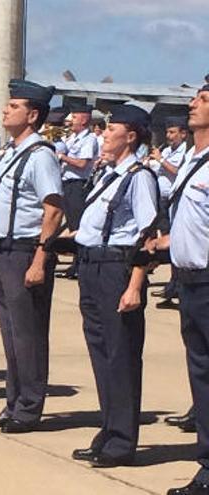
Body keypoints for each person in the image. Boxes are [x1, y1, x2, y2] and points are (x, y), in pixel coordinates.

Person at [70, 104, 158, 468]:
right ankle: (108, 429)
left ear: (131, 135)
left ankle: (122, 441)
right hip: (92, 265)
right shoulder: (108, 174)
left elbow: (147, 236)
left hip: (116, 269)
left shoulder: (139, 176)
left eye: (111, 129)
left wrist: (135, 285)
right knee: (101, 354)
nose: (104, 134)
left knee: (120, 356)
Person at [0, 80, 63, 433]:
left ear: (32, 115)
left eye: (13, 106)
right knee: (11, 335)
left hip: (27, 251)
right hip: (4, 251)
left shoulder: (40, 155)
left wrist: (40, 259)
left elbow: (54, 209)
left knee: (28, 336)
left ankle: (28, 408)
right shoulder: (13, 151)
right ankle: (13, 402)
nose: (5, 110)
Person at [155, 83, 209, 495]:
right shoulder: (194, 159)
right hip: (191, 282)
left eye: (205, 99)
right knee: (202, 377)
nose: (193, 103)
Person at [150, 116, 190, 309]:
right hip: (162, 200)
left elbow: (177, 171)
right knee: (166, 240)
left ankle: (176, 286)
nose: (169, 136)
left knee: (174, 243)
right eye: (167, 132)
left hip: (175, 201)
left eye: (173, 132)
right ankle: (172, 286)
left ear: (183, 133)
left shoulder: (186, 152)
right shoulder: (167, 149)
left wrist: (160, 160)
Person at [57, 104, 99, 279]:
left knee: (79, 226)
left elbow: (83, 163)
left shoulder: (89, 139)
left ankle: (80, 264)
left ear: (83, 119)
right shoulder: (72, 138)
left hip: (78, 184)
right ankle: (76, 263)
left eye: (73, 117)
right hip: (67, 183)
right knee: (73, 224)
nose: (70, 121)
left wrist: (62, 157)